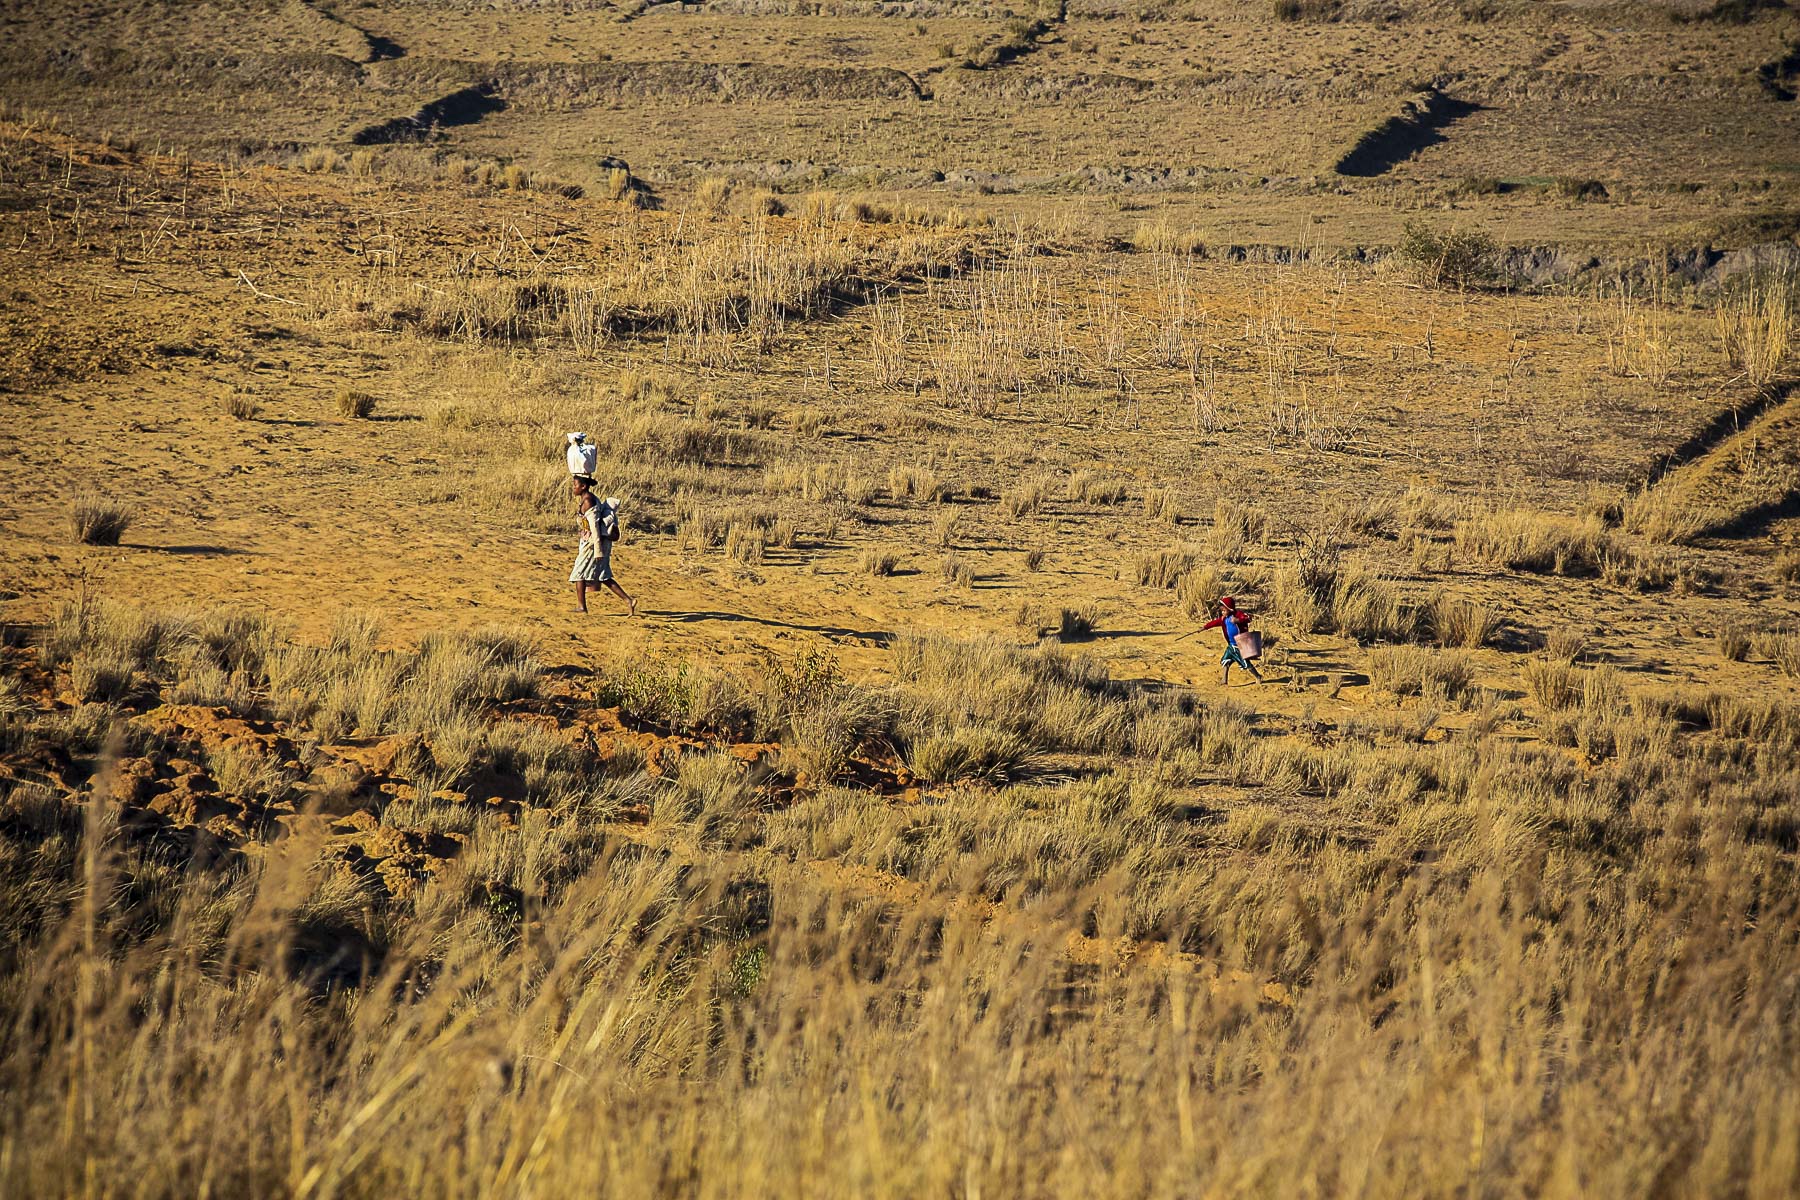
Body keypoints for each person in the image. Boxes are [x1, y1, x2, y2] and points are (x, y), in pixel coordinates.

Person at [569, 477, 636, 616]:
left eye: (575, 485)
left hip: (593, 544)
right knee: (602, 575)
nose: (573, 488)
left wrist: (598, 550)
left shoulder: (588, 501)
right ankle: (628, 600)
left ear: (583, 486)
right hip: (595, 542)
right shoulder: (589, 499)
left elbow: (594, 528)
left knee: (579, 572)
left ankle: (582, 607)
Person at [1200, 594, 1262, 685]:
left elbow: (1248, 618)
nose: (1223, 613)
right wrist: (1205, 627)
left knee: (1246, 663)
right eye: (1222, 611)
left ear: (1230, 609)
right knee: (1226, 661)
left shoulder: (1238, 615)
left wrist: (1238, 620)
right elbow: (1215, 622)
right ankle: (1224, 680)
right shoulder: (1224, 619)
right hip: (1231, 646)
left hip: (1239, 646)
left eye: (1224, 610)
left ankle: (1258, 676)